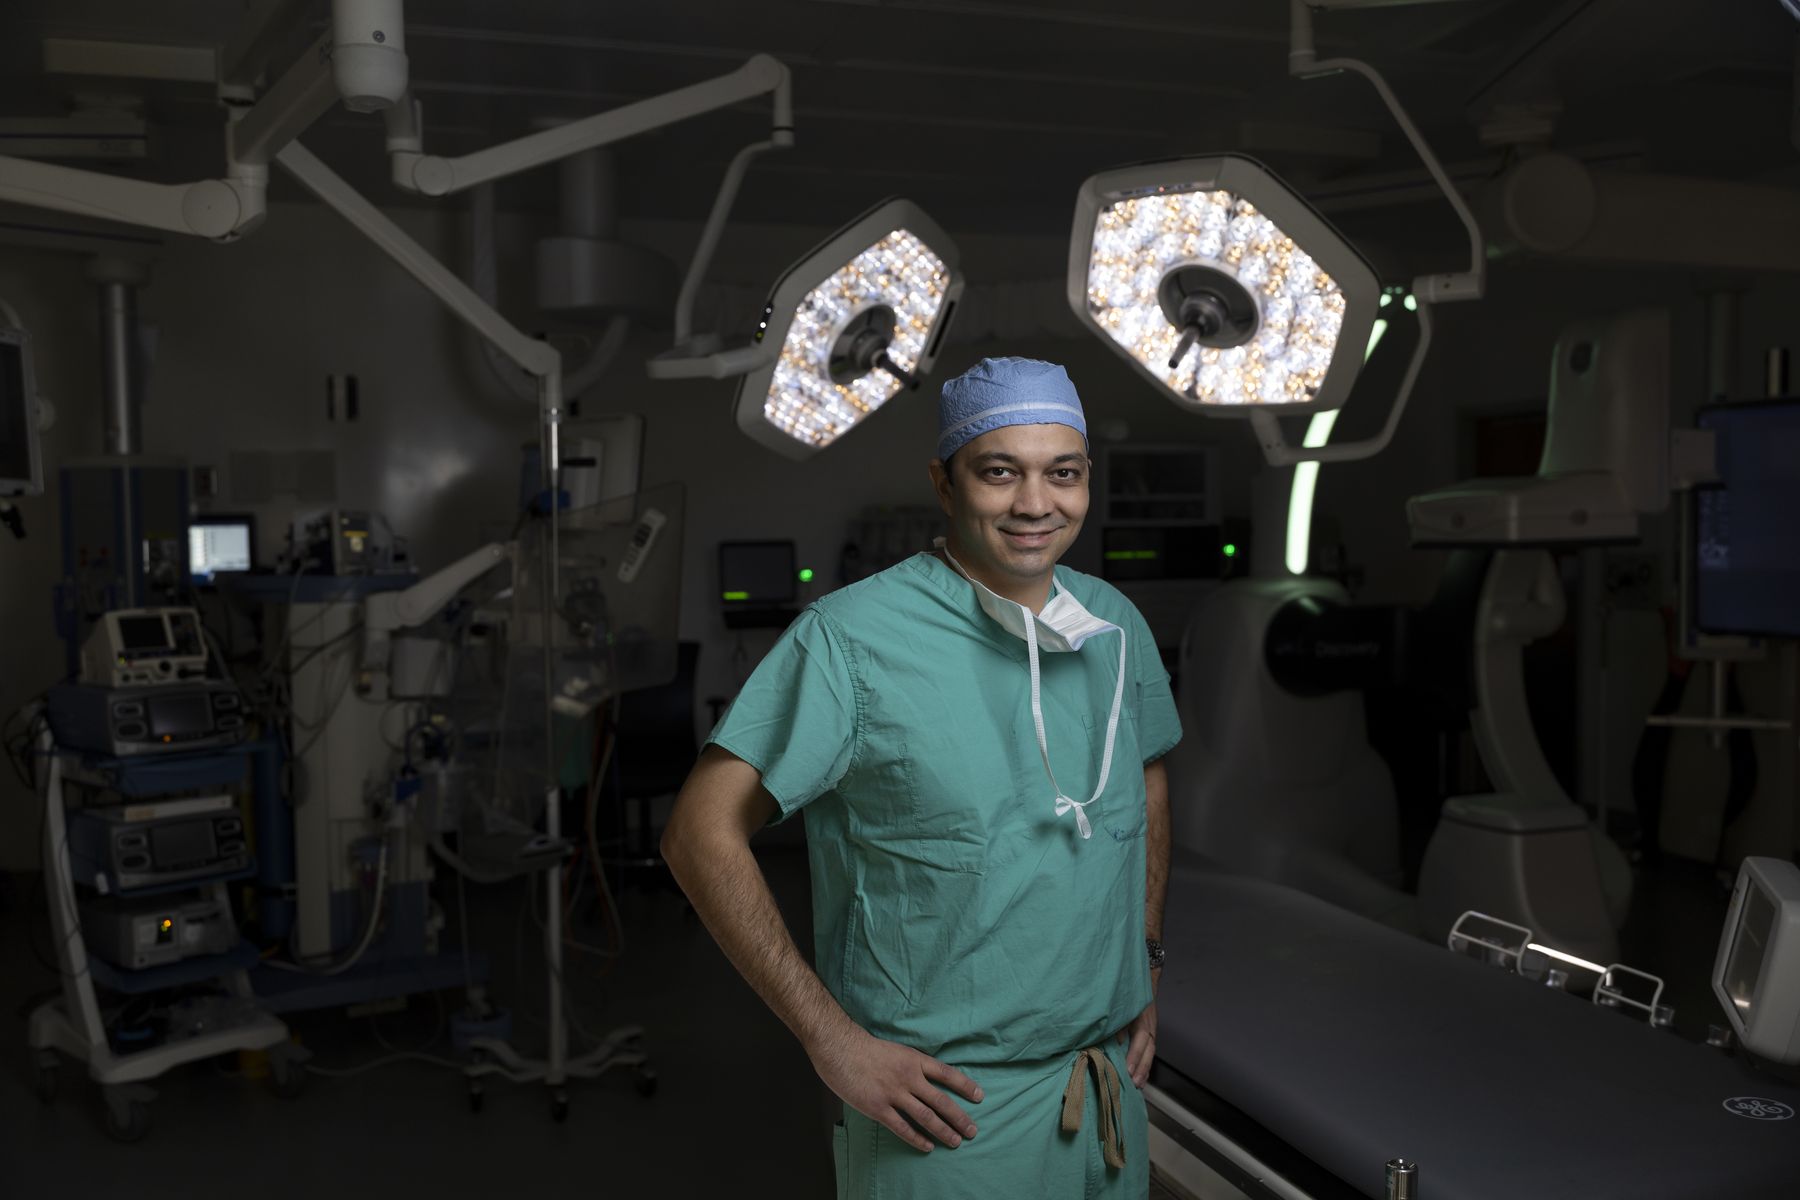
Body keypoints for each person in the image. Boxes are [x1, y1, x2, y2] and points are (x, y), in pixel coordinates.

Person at [662, 356, 1180, 1198]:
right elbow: (697, 832)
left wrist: (1144, 959)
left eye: (1064, 474)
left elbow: (1145, 776)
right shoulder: (850, 641)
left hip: (1104, 1083)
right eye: (1000, 471)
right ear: (946, 484)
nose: (1035, 504)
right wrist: (830, 1040)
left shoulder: (1112, 623)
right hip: (947, 1115)